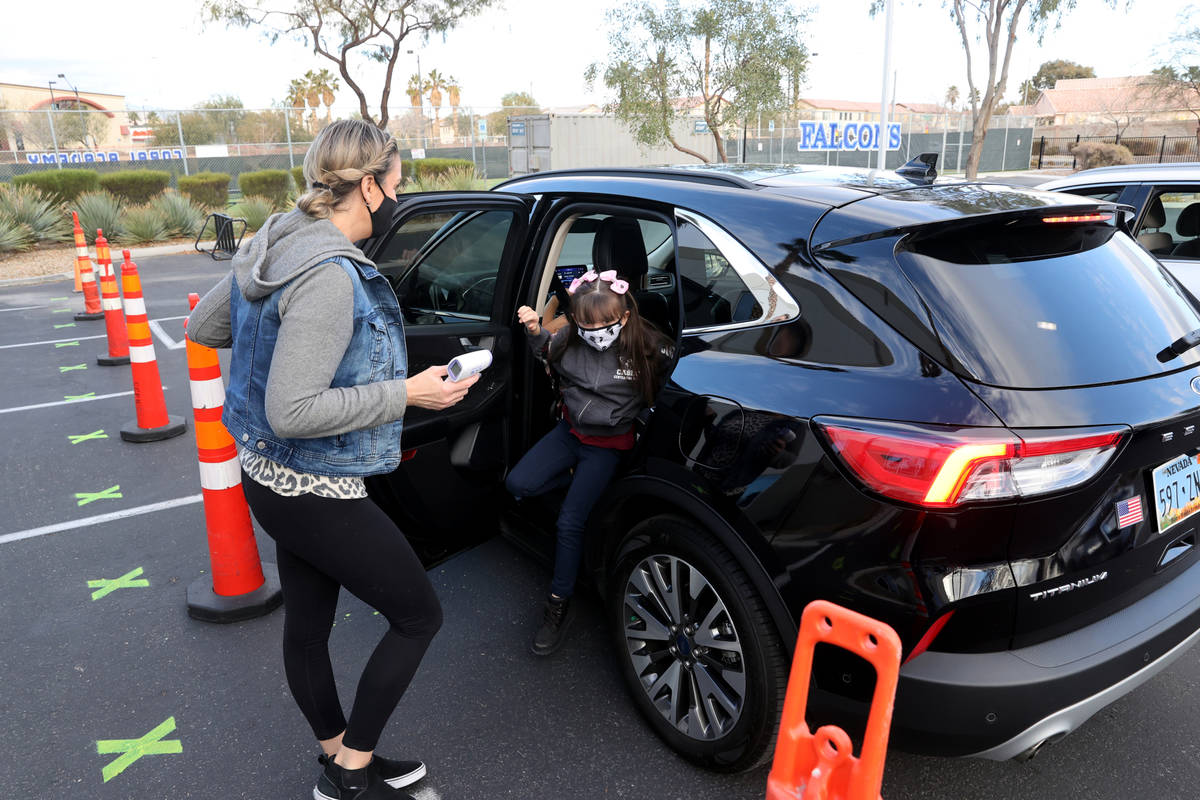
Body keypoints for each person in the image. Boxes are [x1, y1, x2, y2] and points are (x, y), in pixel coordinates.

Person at [187, 119, 479, 800]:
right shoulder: (328, 275)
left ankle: (337, 754)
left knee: (309, 625)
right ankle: (350, 776)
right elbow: (295, 409)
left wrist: (256, 256)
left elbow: (205, 327)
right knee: (418, 616)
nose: (399, 198)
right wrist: (407, 393)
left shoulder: (279, 241)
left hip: (266, 475)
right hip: (313, 487)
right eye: (398, 185)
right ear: (370, 186)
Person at [507, 269, 672, 656]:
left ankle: (558, 604)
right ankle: (583, 486)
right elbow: (547, 349)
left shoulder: (648, 346)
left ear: (625, 317)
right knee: (518, 484)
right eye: (586, 324)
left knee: (569, 521)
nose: (595, 332)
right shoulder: (570, 338)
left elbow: (674, 383)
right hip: (571, 432)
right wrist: (535, 331)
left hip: (608, 445)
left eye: (604, 324)